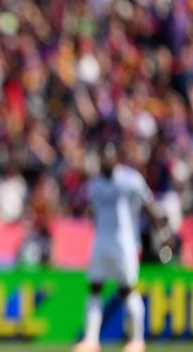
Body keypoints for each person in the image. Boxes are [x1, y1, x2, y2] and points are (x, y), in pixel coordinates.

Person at [73, 142, 172, 352]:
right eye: (102, 157)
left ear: (116, 158)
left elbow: (149, 206)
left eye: (108, 157)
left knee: (127, 288)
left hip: (124, 241)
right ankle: (91, 340)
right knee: (95, 287)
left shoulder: (130, 180)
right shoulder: (95, 184)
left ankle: (137, 340)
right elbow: (93, 212)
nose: (104, 162)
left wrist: (163, 235)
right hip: (101, 241)